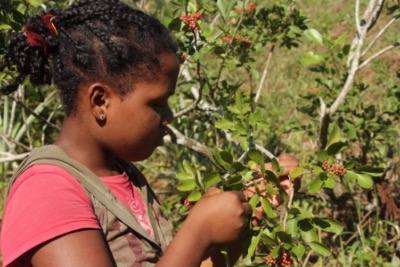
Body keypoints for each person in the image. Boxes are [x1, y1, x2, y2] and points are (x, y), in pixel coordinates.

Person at [0, 1, 299, 266]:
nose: (168, 117)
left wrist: (245, 217)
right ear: (100, 101)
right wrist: (198, 233)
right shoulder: (47, 192)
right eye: (157, 103)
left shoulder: (124, 177)